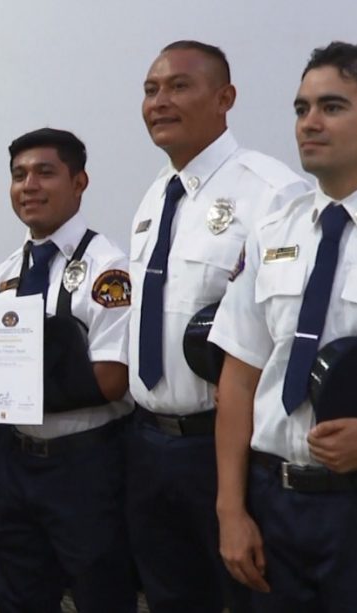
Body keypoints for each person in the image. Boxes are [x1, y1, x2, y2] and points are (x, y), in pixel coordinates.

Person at [125, 40, 310, 612]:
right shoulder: (157, 193)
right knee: (171, 597)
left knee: (250, 593)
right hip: (147, 441)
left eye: (179, 86)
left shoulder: (271, 191)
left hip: (224, 447)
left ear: (225, 97)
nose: (160, 101)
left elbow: (289, 329)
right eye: (152, 89)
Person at [210, 40, 357, 612]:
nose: (310, 123)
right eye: (301, 109)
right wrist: (231, 509)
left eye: (332, 107)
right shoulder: (274, 232)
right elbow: (240, 377)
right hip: (276, 503)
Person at [0, 128, 137, 612]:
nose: (29, 185)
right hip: (15, 460)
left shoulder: (108, 269)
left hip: (84, 463)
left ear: (79, 182)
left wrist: (18, 389)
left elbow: (111, 381)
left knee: (100, 595)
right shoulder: (4, 274)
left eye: (45, 172)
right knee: (18, 596)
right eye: (18, 175)